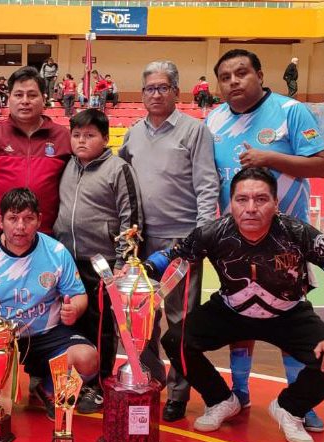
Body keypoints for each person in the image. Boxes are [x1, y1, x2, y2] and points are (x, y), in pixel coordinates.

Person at [154, 167, 324, 442]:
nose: (251, 208)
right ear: (230, 204)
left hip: (288, 314)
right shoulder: (212, 232)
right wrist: (139, 270)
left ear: (276, 204)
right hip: (231, 311)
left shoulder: (298, 233)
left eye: (261, 199)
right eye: (242, 200)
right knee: (175, 340)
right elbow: (171, 256)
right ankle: (221, 400)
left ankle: (289, 408)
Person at [207, 48, 324, 430]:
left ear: (259, 75)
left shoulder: (290, 111)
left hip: (286, 239)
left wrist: (269, 158)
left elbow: (322, 165)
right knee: (240, 311)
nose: (233, 82)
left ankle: (297, 401)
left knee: (290, 316)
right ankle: (239, 392)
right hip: (235, 239)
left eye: (241, 73)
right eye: (225, 77)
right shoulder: (213, 119)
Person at [119, 60, 219, 422]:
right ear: (142, 94)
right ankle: (150, 381)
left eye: (163, 88)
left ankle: (179, 392)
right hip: (141, 243)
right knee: (142, 319)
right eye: (149, 88)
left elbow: (208, 186)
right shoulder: (132, 133)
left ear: (177, 92)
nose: (156, 94)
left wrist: (201, 238)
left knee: (181, 323)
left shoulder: (195, 131)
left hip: (182, 243)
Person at [0, 188, 97, 419]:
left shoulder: (56, 251)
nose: (20, 227)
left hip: (46, 334)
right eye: (13, 218)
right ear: (0, 221)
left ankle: (47, 388)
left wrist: (74, 309)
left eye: (28, 219)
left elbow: (79, 296)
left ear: (39, 220)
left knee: (88, 358)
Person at [54, 109, 143, 414]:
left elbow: (131, 219)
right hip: (68, 262)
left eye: (90, 135)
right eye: (77, 135)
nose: (81, 140)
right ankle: (74, 382)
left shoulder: (119, 169)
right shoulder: (68, 166)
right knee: (71, 325)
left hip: (103, 264)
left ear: (105, 138)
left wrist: (122, 264)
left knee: (103, 327)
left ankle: (101, 384)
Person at [0, 66, 71, 250]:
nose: (25, 101)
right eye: (18, 95)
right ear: (9, 98)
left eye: (32, 95)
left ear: (43, 99)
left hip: (48, 239)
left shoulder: (63, 137)